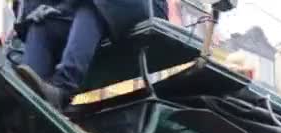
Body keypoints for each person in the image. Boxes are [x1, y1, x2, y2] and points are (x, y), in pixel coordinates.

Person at [14, 0, 168, 110]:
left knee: (91, 5)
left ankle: (63, 88)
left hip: (142, 4)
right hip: (89, 8)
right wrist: (44, 8)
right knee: (42, 24)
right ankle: (25, 97)